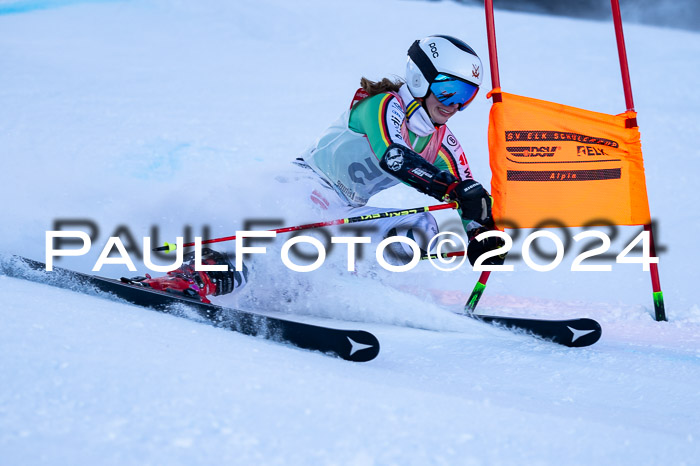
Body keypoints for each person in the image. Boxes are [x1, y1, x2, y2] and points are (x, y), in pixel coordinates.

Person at [131, 35, 503, 301]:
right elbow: (394, 156)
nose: (455, 105)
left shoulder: (443, 142)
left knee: (422, 227)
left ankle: (332, 286)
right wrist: (451, 190)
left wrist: (481, 230)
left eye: (467, 96)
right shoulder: (382, 105)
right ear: (421, 78)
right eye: (450, 90)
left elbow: (470, 192)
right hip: (304, 185)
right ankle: (194, 278)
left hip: (346, 207)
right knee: (281, 246)